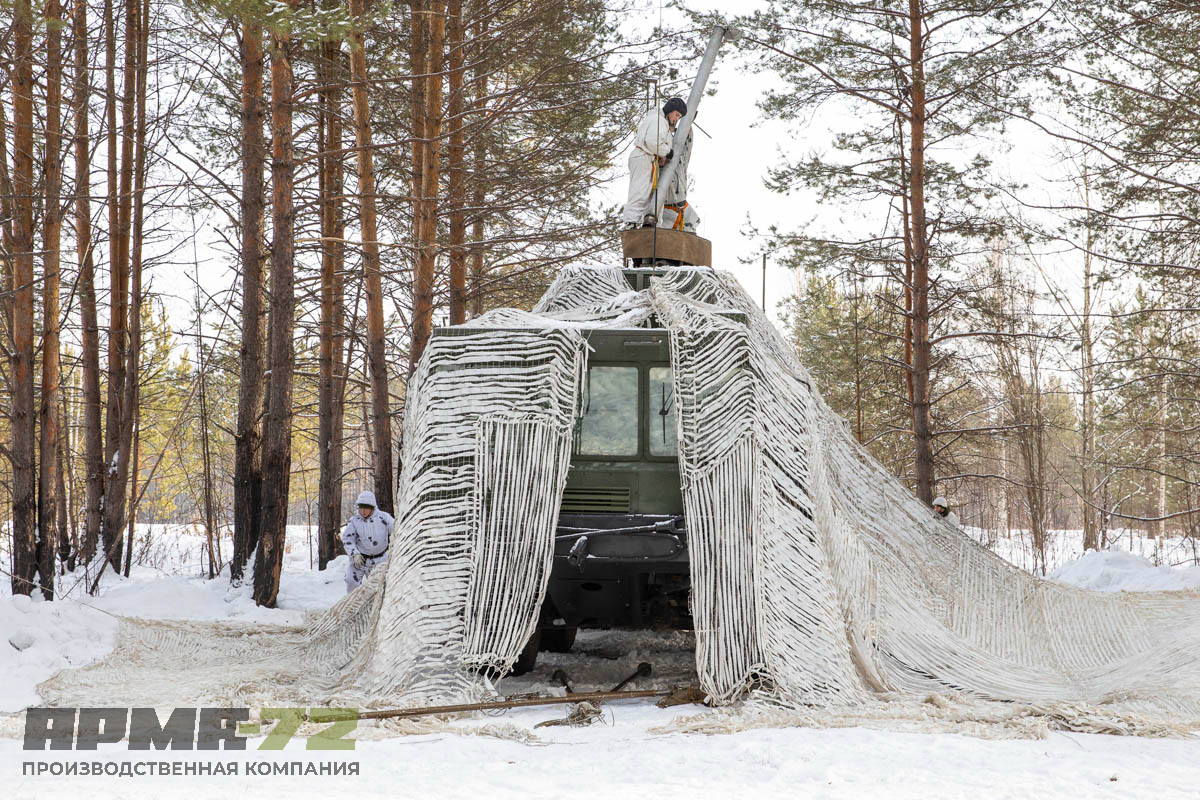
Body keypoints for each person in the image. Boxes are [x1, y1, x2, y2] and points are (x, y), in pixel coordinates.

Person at [622, 97, 686, 229]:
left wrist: (662, 156)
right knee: (640, 191)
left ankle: (651, 223)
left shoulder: (663, 123)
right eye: (676, 115)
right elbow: (653, 142)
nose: (676, 119)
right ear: (670, 110)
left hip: (650, 159)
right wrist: (667, 152)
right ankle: (631, 222)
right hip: (643, 156)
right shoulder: (658, 120)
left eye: (679, 117)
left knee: (653, 195)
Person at [341, 490, 394, 593]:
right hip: (360, 560)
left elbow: (396, 531)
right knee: (351, 581)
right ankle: (354, 602)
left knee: (378, 588)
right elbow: (347, 539)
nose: (363, 511)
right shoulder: (354, 521)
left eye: (366, 508)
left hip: (380, 560)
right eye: (361, 508)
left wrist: (393, 549)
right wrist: (354, 554)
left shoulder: (384, 518)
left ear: (372, 507)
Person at [660, 122, 700, 233]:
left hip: (682, 209)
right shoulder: (655, 163)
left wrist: (686, 122)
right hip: (664, 212)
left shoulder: (681, 158)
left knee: (688, 237)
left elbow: (688, 141)